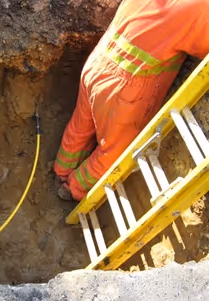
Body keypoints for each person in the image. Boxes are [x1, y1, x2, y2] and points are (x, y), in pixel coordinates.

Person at [54, 0, 209, 201]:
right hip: (125, 89)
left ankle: (61, 170)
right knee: (113, 153)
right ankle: (73, 189)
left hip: (98, 61)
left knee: (81, 125)